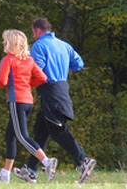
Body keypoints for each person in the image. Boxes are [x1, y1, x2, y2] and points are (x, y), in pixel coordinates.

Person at [13, 18, 96, 184]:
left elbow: (37, 69)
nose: (33, 36)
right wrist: (63, 70)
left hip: (50, 91)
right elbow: (79, 63)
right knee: (41, 130)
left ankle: (83, 160)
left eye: (33, 32)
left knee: (58, 129)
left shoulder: (39, 46)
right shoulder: (64, 45)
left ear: (37, 31)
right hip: (61, 88)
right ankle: (31, 171)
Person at [0, 29, 58, 184]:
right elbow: (42, 77)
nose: (3, 43)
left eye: (5, 41)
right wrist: (28, 84)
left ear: (11, 43)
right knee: (10, 135)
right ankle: (5, 174)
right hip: (28, 101)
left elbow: (0, 81)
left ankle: (46, 161)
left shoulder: (8, 60)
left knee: (21, 136)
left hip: (16, 101)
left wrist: (3, 82)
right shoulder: (29, 60)